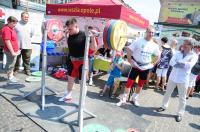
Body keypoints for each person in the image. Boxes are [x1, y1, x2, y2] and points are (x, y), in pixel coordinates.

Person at [117, 26, 160, 107]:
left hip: (145, 67)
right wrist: (129, 60)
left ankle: (134, 99)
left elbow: (158, 56)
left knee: (140, 84)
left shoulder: (155, 45)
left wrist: (153, 64)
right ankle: (124, 99)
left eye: (153, 33)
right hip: (136, 65)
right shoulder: (138, 40)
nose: (151, 34)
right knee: (129, 83)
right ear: (146, 32)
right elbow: (129, 49)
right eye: (150, 32)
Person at [156, 39, 198, 122]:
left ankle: (180, 114)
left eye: (186, 44)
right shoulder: (178, 53)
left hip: (183, 79)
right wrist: (182, 63)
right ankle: (164, 106)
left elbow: (189, 65)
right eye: (184, 43)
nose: (184, 45)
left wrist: (178, 63)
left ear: (191, 46)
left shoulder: (194, 55)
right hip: (172, 77)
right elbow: (171, 62)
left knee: (182, 98)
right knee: (167, 93)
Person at [59, 18, 96, 102]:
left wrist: (93, 37)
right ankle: (68, 95)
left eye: (70, 29)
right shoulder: (69, 34)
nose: (69, 31)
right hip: (72, 61)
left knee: (82, 82)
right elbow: (68, 45)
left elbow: (93, 48)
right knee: (70, 80)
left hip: (82, 62)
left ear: (76, 26)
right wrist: (65, 35)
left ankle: (81, 102)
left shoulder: (85, 35)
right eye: (68, 29)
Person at [14, 11, 34, 75]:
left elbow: (31, 34)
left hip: (27, 45)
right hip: (17, 45)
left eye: (27, 17)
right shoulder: (16, 24)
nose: (26, 18)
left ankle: (27, 70)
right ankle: (16, 69)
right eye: (25, 17)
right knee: (17, 58)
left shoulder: (31, 25)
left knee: (27, 59)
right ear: (21, 17)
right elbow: (13, 34)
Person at [1, 16, 20, 83]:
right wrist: (12, 52)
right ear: (9, 22)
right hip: (10, 51)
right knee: (11, 64)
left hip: (13, 50)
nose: (15, 25)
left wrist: (17, 50)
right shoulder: (7, 29)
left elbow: (13, 40)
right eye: (13, 23)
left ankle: (11, 75)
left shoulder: (11, 28)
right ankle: (10, 77)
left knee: (12, 63)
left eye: (15, 23)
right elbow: (7, 41)